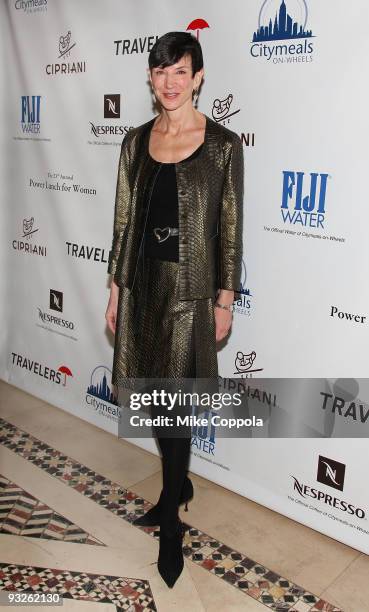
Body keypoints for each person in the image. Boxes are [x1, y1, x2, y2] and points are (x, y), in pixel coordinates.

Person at [105, 31, 244, 588]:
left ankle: (170, 526)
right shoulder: (135, 142)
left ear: (199, 76)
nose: (170, 82)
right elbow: (122, 220)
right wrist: (116, 288)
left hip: (190, 294)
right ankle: (177, 487)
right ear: (150, 76)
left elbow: (230, 229)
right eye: (161, 72)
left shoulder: (222, 145)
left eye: (180, 71)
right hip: (143, 287)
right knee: (152, 396)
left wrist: (225, 298)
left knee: (177, 406)